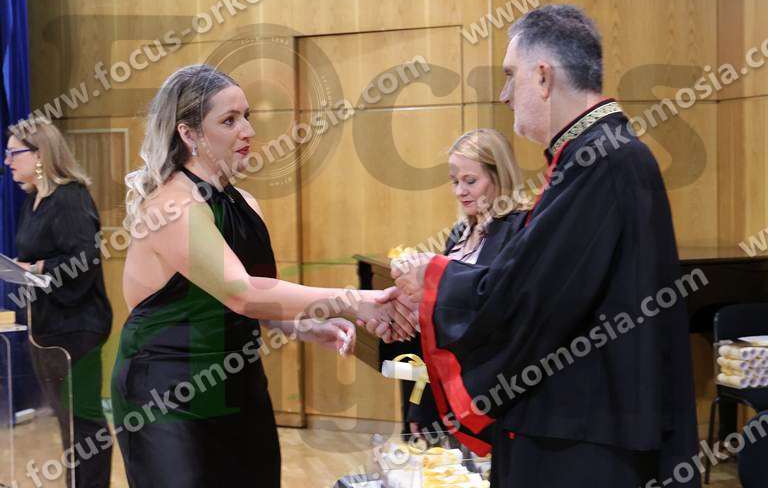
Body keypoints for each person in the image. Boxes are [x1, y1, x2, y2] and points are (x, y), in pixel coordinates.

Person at [390, 5, 700, 487]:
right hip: (585, 421)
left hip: (582, 433)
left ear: (542, 77)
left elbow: (534, 291)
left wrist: (432, 277)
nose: (504, 94)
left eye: (510, 76)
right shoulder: (597, 153)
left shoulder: (600, 160)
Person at [112, 64, 415, 487]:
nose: (248, 131)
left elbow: (259, 300)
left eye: (247, 116)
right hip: (167, 392)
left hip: (238, 383)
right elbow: (242, 293)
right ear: (189, 134)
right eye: (229, 120)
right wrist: (355, 300)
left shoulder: (245, 203)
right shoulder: (172, 206)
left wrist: (303, 326)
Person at [400, 128, 530, 452]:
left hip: (492, 395)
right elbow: (436, 326)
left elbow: (501, 315)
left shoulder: (519, 228)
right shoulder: (459, 233)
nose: (460, 191)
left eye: (470, 181)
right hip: (449, 392)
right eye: (454, 181)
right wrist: (422, 402)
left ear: (499, 176)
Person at [4, 117, 113, 487]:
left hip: (76, 329)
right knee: (67, 422)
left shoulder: (70, 197)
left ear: (40, 154)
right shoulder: (33, 200)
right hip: (47, 327)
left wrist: (34, 267)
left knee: (83, 423)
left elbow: (85, 260)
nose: (7, 161)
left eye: (14, 153)